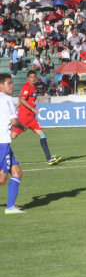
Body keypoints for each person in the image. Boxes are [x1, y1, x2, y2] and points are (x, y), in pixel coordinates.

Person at [11, 71, 62, 166]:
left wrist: (18, 103)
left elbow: (21, 95)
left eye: (34, 77)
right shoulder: (27, 86)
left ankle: (49, 158)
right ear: (28, 78)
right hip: (24, 117)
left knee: (42, 134)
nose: (33, 79)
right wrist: (32, 108)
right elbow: (23, 98)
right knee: (12, 136)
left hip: (31, 117)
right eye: (31, 77)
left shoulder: (34, 87)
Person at [0, 73, 25, 214]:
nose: (12, 85)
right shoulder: (7, 99)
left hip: (4, 141)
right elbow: (14, 121)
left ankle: (10, 207)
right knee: (2, 179)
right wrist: (22, 127)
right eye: (9, 83)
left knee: (17, 172)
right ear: (1, 85)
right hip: (2, 143)